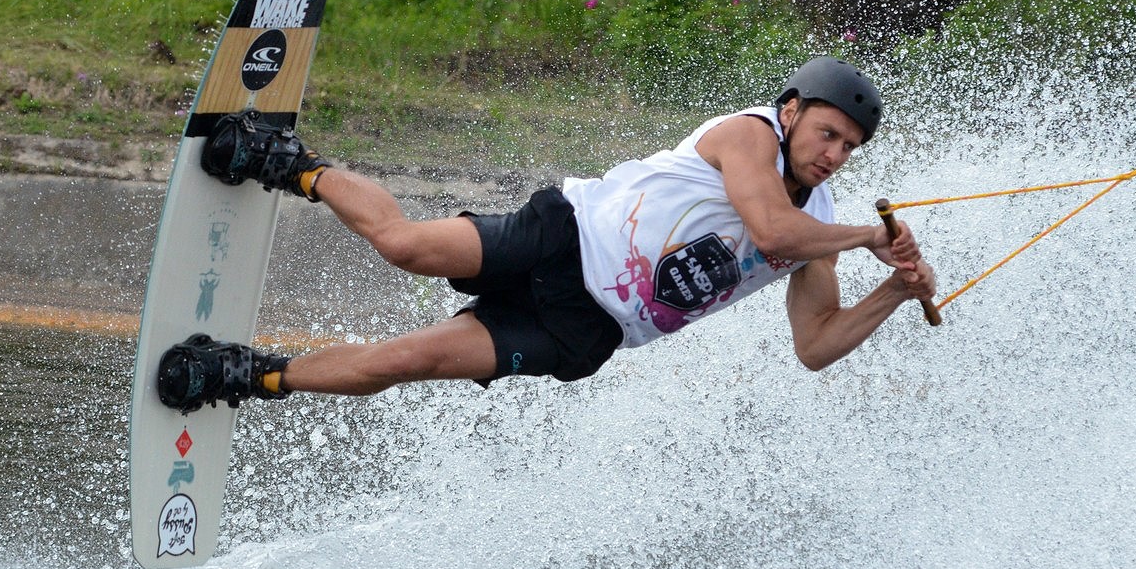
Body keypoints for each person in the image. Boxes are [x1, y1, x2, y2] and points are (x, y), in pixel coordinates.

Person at [156, 56, 936, 413]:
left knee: (410, 359)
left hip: (584, 327)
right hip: (564, 235)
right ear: (795, 109)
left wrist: (896, 290)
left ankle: (246, 375)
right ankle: (285, 162)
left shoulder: (823, 228)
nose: (832, 154)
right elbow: (768, 222)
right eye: (828, 133)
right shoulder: (748, 135)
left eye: (848, 150)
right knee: (404, 247)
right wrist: (869, 237)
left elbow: (816, 344)